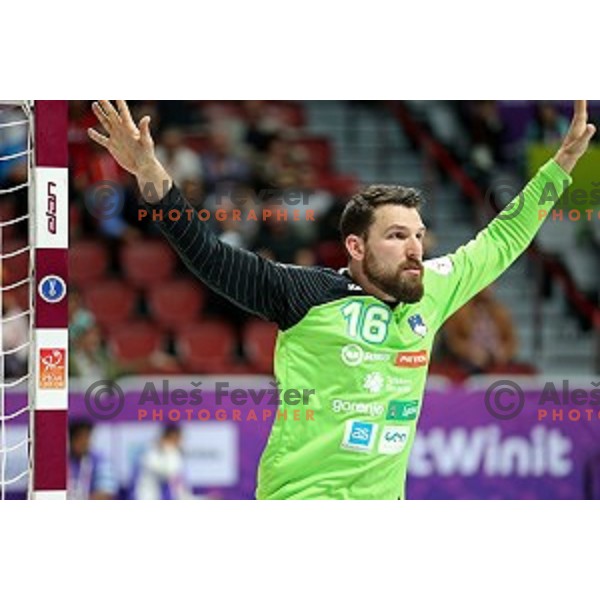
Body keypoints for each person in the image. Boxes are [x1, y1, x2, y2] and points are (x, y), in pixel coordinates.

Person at [88, 100, 595, 500]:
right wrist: (153, 181)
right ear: (356, 247)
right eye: (397, 236)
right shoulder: (305, 293)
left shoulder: (434, 289)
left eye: (418, 235)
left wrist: (562, 167)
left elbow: (503, 239)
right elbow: (207, 254)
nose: (415, 247)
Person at [68, 420, 118, 499]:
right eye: (80, 437)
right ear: (71, 439)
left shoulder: (100, 461)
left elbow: (106, 494)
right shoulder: (64, 461)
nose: (84, 442)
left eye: (87, 437)